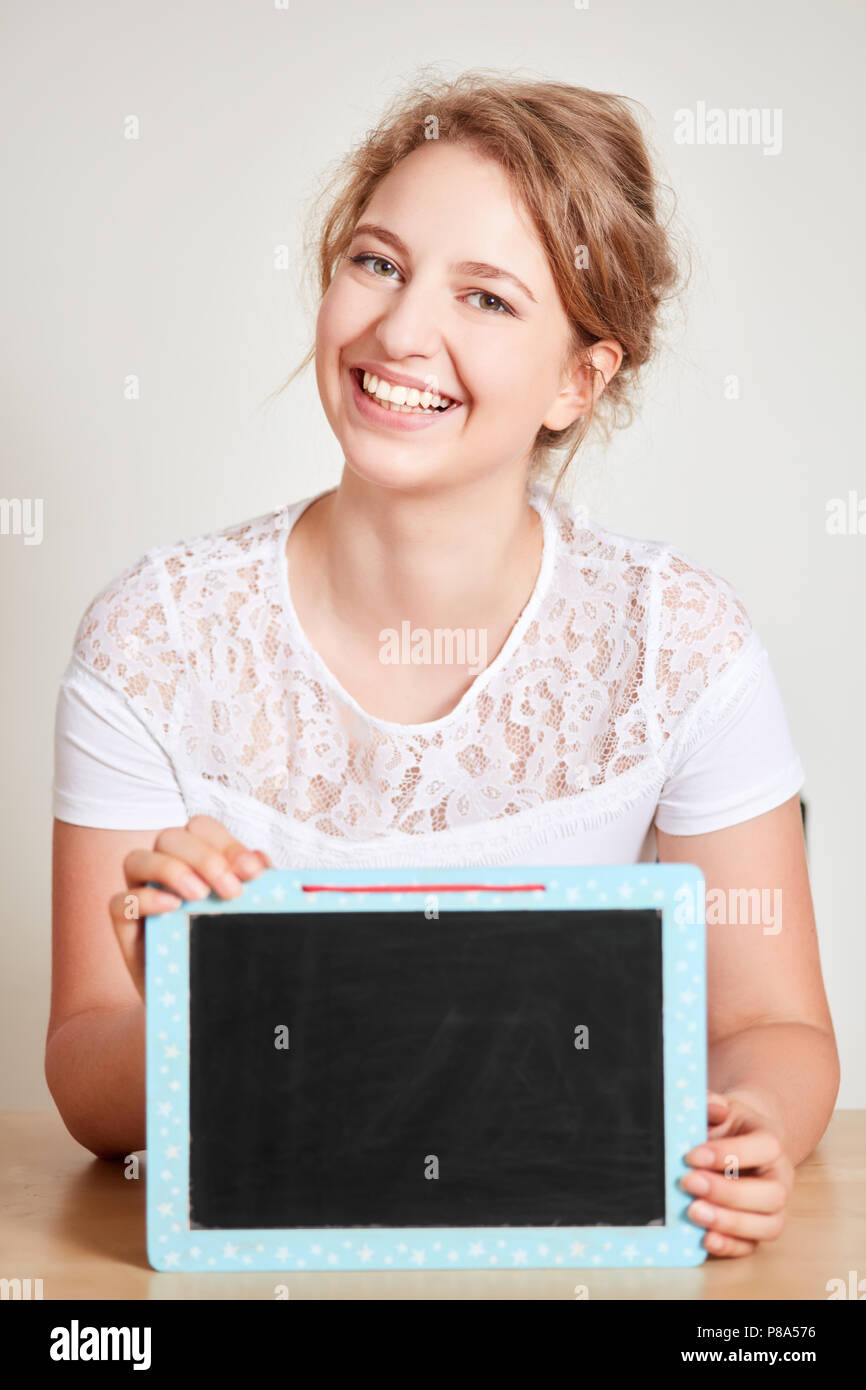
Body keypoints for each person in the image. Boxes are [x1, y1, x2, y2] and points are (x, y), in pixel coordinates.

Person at [47, 70, 838, 1259]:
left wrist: (752, 1129)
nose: (401, 332)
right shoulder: (152, 637)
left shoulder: (680, 642)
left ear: (580, 378)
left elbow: (774, 1025)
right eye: (376, 263)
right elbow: (87, 1093)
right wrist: (191, 1007)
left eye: (486, 297)